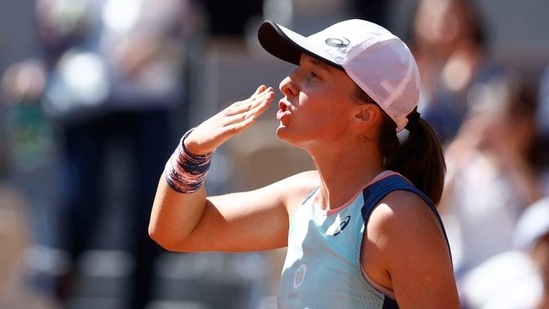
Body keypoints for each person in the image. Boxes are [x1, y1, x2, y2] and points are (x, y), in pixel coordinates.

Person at [149, 19, 460, 308]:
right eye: (299, 69)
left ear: (364, 114)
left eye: (314, 75)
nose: (288, 82)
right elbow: (175, 231)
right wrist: (193, 151)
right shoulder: (302, 196)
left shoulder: (397, 219)